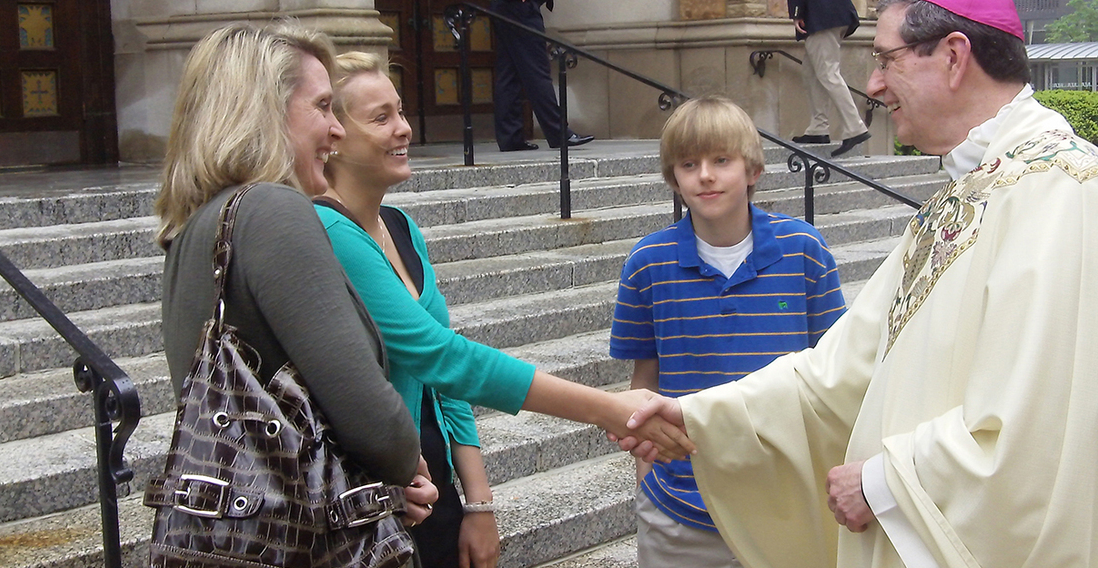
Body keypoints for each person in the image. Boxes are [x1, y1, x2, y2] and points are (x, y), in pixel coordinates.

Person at [617, 0, 1098, 566]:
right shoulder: (968, 192)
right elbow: (842, 368)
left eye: (885, 60)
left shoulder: (1064, 188)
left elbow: (1046, 429)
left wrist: (885, 482)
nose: (875, 84)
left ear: (955, 55)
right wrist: (696, 415)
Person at [314, 51, 693, 568]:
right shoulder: (330, 231)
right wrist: (611, 408)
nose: (404, 129)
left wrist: (478, 502)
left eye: (401, 111)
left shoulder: (400, 225)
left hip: (433, 485)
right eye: (381, 118)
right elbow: (442, 356)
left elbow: (444, 387)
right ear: (333, 135)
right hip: (378, 497)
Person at [154, 22, 438, 540]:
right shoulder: (273, 209)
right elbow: (371, 414)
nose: (336, 129)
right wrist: (404, 461)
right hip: (307, 536)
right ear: (264, 111)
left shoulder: (196, 226)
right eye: (323, 106)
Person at [610, 95, 846, 568]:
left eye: (721, 160)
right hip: (681, 509)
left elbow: (835, 370)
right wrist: (646, 479)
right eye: (689, 163)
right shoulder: (647, 263)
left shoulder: (803, 250)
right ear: (673, 178)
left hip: (786, 500)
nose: (705, 175)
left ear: (753, 169)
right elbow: (645, 381)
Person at [490, 0, 593, 151]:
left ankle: (510, 137)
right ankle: (558, 132)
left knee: (509, 73)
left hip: (507, 7)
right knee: (537, 71)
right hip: (520, 8)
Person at [788, 0, 872, 157]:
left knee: (827, 73)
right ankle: (818, 128)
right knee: (812, 72)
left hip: (821, 14)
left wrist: (797, 11)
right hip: (830, 13)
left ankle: (855, 127)